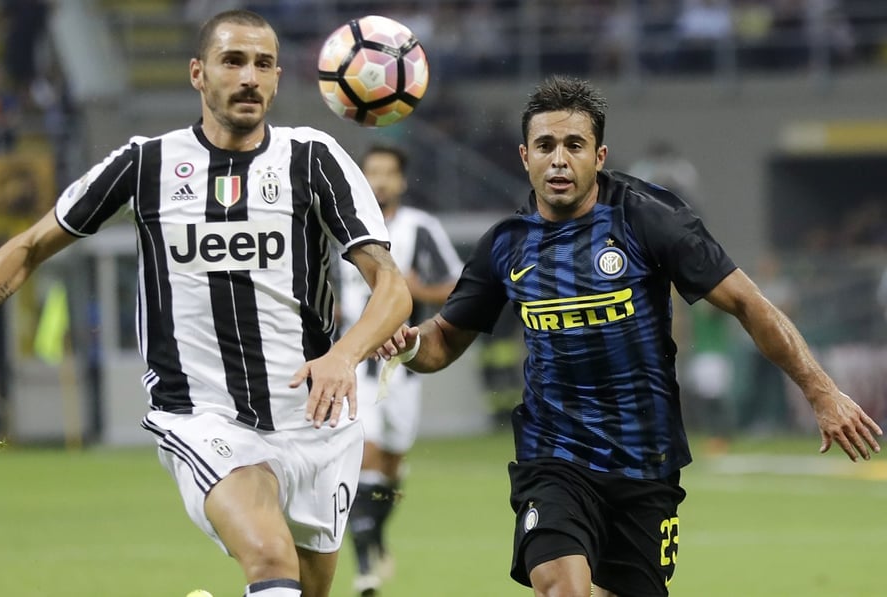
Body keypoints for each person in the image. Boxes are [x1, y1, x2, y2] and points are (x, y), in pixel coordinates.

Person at [0, 10, 412, 597]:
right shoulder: (146, 164)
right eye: (232, 61)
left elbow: (390, 287)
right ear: (198, 74)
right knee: (271, 563)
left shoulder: (312, 159)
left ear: (276, 79)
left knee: (304, 591)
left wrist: (344, 355)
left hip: (317, 420)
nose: (249, 77)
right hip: (203, 415)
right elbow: (28, 246)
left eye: (263, 64)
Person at [374, 75, 882, 597]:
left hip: (645, 463)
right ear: (525, 155)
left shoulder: (649, 219)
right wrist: (409, 343)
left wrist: (822, 392)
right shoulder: (505, 246)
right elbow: (442, 340)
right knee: (563, 588)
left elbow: (748, 305)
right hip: (554, 458)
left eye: (574, 145)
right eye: (545, 146)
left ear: (600, 154)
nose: (559, 160)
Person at [338, 144, 463, 596]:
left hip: (404, 368)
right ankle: (366, 562)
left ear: (402, 181)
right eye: (373, 172)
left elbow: (457, 286)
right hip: (356, 362)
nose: (381, 181)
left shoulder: (420, 228)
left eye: (389, 173)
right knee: (365, 456)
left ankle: (373, 533)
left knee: (390, 465)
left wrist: (416, 288)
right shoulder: (342, 226)